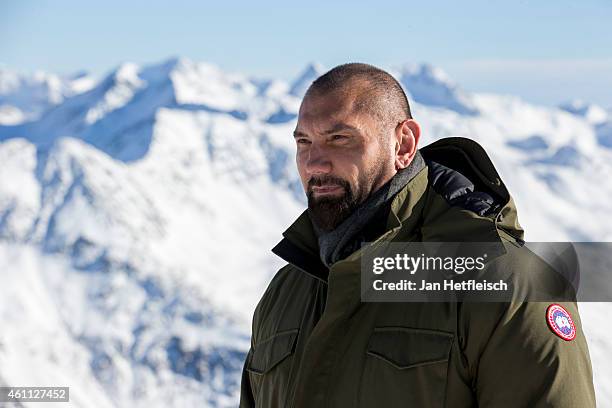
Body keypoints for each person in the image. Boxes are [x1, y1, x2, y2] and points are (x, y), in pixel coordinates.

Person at [239, 63, 595, 407]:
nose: (315, 162)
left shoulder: (507, 286)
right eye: (304, 142)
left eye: (340, 138)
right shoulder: (286, 291)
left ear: (403, 145)